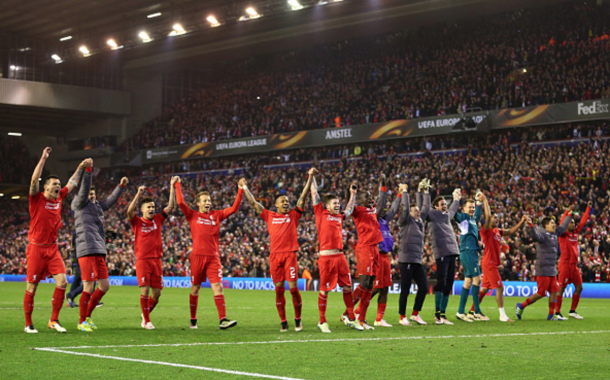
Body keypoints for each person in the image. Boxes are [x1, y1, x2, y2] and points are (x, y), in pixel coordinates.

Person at [242, 168, 315, 332]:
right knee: (279, 290)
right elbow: (253, 203)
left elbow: (303, 197)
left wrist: (310, 176)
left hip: (290, 255)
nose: (286, 203)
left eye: (287, 201)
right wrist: (244, 188)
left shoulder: (294, 216)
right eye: (282, 201)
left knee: (294, 290)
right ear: (276, 205)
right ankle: (283, 322)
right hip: (275, 257)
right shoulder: (269, 215)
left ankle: (297, 320)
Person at [24, 147, 87, 333]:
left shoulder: (59, 197)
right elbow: (34, 179)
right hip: (36, 249)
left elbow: (73, 182)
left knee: (62, 282)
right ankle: (28, 324)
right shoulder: (36, 199)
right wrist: (43, 158)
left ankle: (53, 320)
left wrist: (81, 167)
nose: (58, 186)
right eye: (54, 184)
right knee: (32, 287)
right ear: (46, 187)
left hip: (52, 249)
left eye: (59, 184)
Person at [174, 176, 243, 330]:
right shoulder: (192, 215)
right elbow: (180, 202)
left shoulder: (216, 215)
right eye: (204, 201)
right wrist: (178, 184)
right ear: (198, 203)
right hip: (197, 257)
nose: (208, 203)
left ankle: (222, 319)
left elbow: (234, 208)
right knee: (195, 288)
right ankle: (193, 320)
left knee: (218, 287)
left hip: (213, 258)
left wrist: (240, 190)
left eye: (209, 200)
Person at [71, 162, 128, 332]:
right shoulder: (79, 203)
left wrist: (120, 187)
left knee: (104, 286)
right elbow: (84, 189)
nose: (93, 196)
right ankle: (82, 321)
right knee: (88, 287)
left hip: (99, 249)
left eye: (94, 193)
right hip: (86, 249)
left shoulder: (96, 207)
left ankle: (87, 317)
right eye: (90, 193)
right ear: (84, 194)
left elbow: (109, 201)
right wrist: (88, 172)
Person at [311, 175, 363, 333]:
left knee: (348, 286)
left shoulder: (339, 216)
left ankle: (351, 318)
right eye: (334, 203)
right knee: (324, 290)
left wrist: (353, 194)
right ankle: (322, 321)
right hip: (326, 257)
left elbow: (349, 209)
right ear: (327, 206)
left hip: (340, 257)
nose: (337, 205)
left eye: (338, 203)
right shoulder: (321, 213)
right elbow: (314, 193)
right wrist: (312, 176)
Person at [127, 178, 177, 330]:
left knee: (157, 294)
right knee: (145, 290)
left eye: (153, 207)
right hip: (143, 260)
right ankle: (147, 321)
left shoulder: (158, 219)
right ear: (142, 209)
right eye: (148, 207)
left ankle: (145, 313)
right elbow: (129, 212)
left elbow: (171, 206)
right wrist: (137, 194)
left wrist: (171, 186)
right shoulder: (137, 222)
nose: (151, 209)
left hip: (157, 260)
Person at [469, 195, 527, 322]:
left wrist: (522, 222)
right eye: (495, 217)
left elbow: (511, 232)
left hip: (492, 263)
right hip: (489, 263)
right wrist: (485, 200)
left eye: (497, 218)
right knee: (500, 288)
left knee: (484, 289)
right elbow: (488, 216)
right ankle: (502, 316)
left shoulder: (497, 231)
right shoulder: (486, 231)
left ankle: (472, 310)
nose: (497, 219)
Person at [345, 175, 386, 330]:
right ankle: (347, 314)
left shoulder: (371, 208)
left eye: (370, 198)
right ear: (359, 201)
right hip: (364, 248)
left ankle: (362, 319)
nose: (370, 200)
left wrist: (379, 182)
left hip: (375, 248)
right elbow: (349, 206)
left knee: (370, 285)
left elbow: (374, 195)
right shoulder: (357, 210)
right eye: (367, 198)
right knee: (363, 283)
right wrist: (352, 193)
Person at [516, 209, 572, 321]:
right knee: (541, 293)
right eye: (552, 223)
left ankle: (551, 315)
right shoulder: (541, 234)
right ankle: (521, 306)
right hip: (543, 268)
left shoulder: (554, 233)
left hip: (551, 268)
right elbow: (535, 236)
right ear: (546, 225)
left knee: (554, 291)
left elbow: (563, 226)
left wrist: (568, 215)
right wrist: (531, 225)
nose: (554, 224)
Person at [397, 179, 431, 326]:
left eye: (418, 210)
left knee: (423, 288)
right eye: (415, 210)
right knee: (405, 289)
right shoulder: (405, 221)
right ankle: (402, 316)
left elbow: (426, 207)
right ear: (409, 213)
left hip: (417, 260)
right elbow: (405, 209)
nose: (418, 211)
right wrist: (404, 192)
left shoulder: (419, 222)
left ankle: (415, 314)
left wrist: (423, 191)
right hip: (406, 260)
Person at [426, 187, 461, 325]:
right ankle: (437, 314)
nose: (445, 206)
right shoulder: (433, 215)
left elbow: (452, 209)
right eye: (442, 204)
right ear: (435, 207)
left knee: (449, 283)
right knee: (441, 281)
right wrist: (425, 192)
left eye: (445, 204)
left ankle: (443, 314)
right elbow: (426, 208)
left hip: (452, 251)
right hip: (442, 252)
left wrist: (456, 198)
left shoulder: (446, 216)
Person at [369, 182, 401, 327]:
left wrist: (400, 194)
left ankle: (379, 319)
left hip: (385, 257)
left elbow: (394, 209)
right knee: (376, 287)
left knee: (385, 288)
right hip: (377, 255)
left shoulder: (384, 220)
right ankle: (356, 312)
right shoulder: (373, 218)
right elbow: (381, 203)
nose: (385, 209)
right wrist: (383, 188)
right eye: (382, 207)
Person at [454, 192, 489, 322]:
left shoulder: (473, 219)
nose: (472, 209)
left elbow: (479, 214)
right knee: (477, 279)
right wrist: (455, 200)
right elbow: (453, 215)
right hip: (468, 251)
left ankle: (461, 312)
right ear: (464, 209)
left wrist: (479, 201)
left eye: (473, 207)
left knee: (468, 281)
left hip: (472, 251)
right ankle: (476, 311)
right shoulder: (463, 217)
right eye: (470, 207)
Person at [556, 201, 591, 320]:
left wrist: (588, 208)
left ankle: (572, 311)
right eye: (571, 222)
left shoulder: (575, 233)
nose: (573, 224)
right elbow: (561, 223)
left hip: (574, 266)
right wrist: (567, 212)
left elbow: (583, 222)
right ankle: (557, 312)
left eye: (573, 223)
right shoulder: (563, 234)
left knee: (579, 287)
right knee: (561, 288)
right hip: (565, 264)